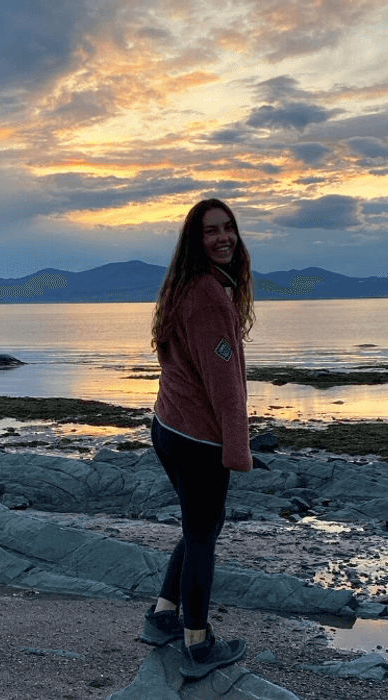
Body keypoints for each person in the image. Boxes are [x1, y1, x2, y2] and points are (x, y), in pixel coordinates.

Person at [139, 198, 255, 680]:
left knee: (196, 527)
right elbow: (224, 384)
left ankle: (163, 616)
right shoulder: (208, 296)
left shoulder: (188, 287)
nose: (223, 237)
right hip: (196, 438)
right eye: (211, 231)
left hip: (169, 426)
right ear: (195, 240)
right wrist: (237, 450)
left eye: (229, 228)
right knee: (204, 536)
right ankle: (197, 641)